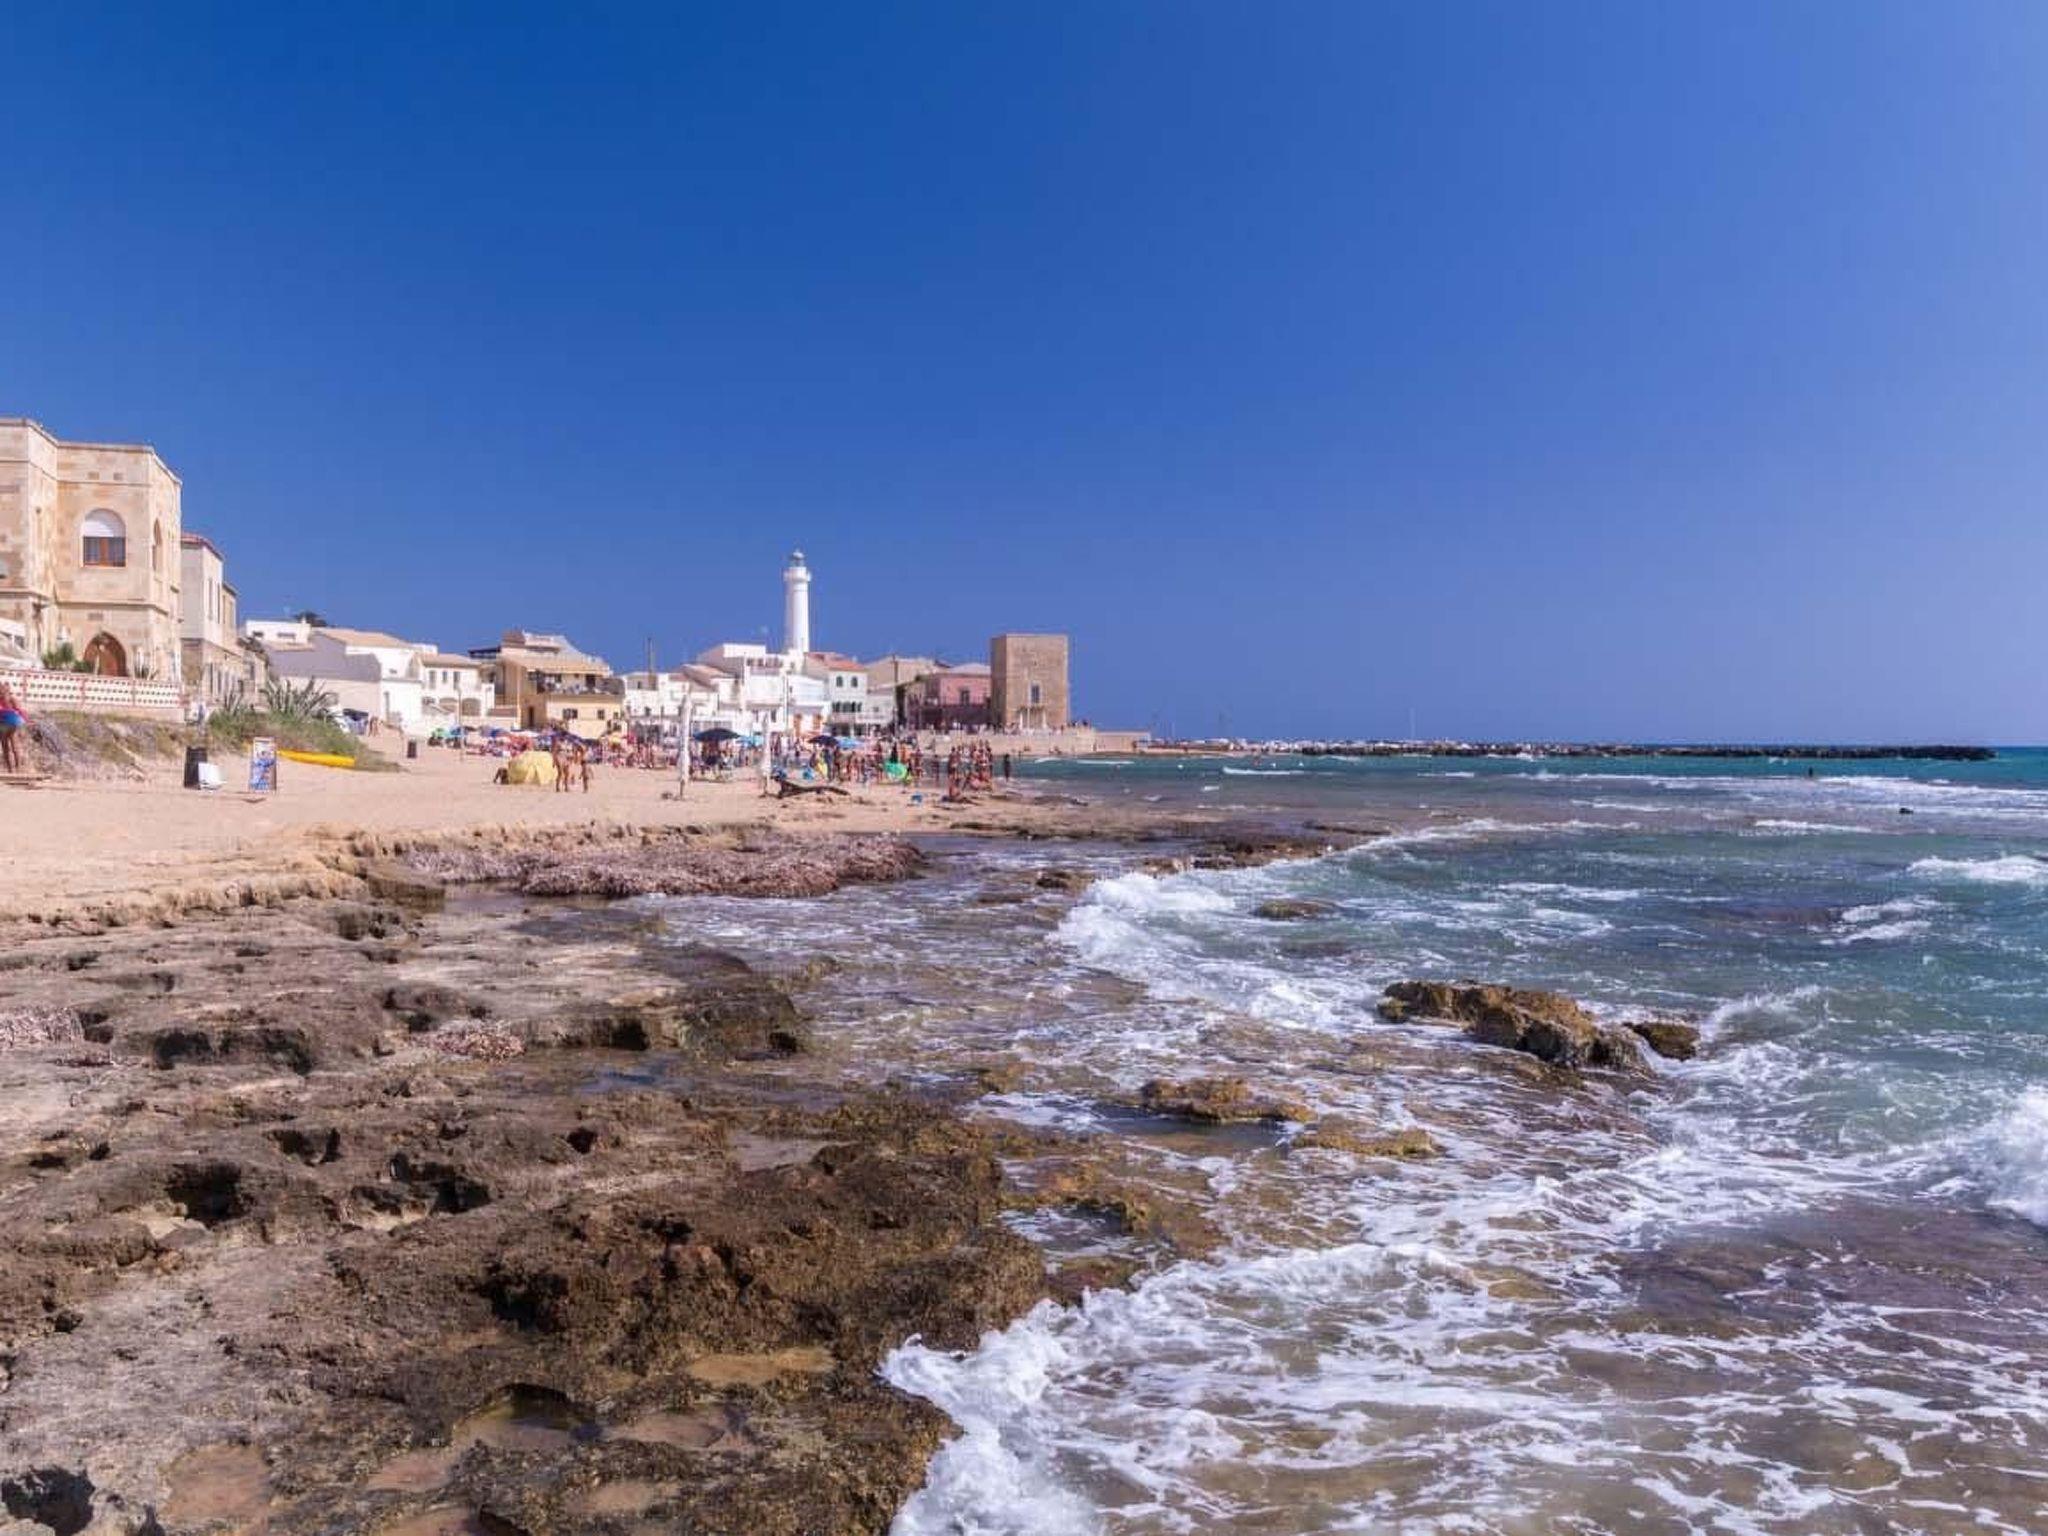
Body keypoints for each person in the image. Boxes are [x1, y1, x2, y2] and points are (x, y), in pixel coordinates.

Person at [0, 678, 26, 775]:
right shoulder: (6, 699)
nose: (2, 693)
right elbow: (20, 711)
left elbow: (20, 710)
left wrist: (24, 721)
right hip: (4, 725)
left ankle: (18, 768)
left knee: (13, 746)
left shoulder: (12, 699)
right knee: (6, 747)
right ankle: (11, 769)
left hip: (11, 724)